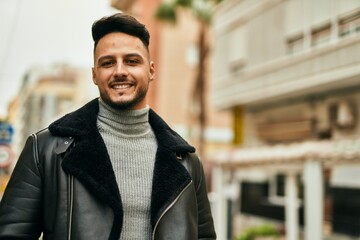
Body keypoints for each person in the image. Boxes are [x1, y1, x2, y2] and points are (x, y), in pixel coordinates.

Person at [0, 13, 216, 240]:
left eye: (132, 61)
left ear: (151, 70)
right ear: (95, 74)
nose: (120, 71)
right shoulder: (44, 150)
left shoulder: (187, 162)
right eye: (108, 62)